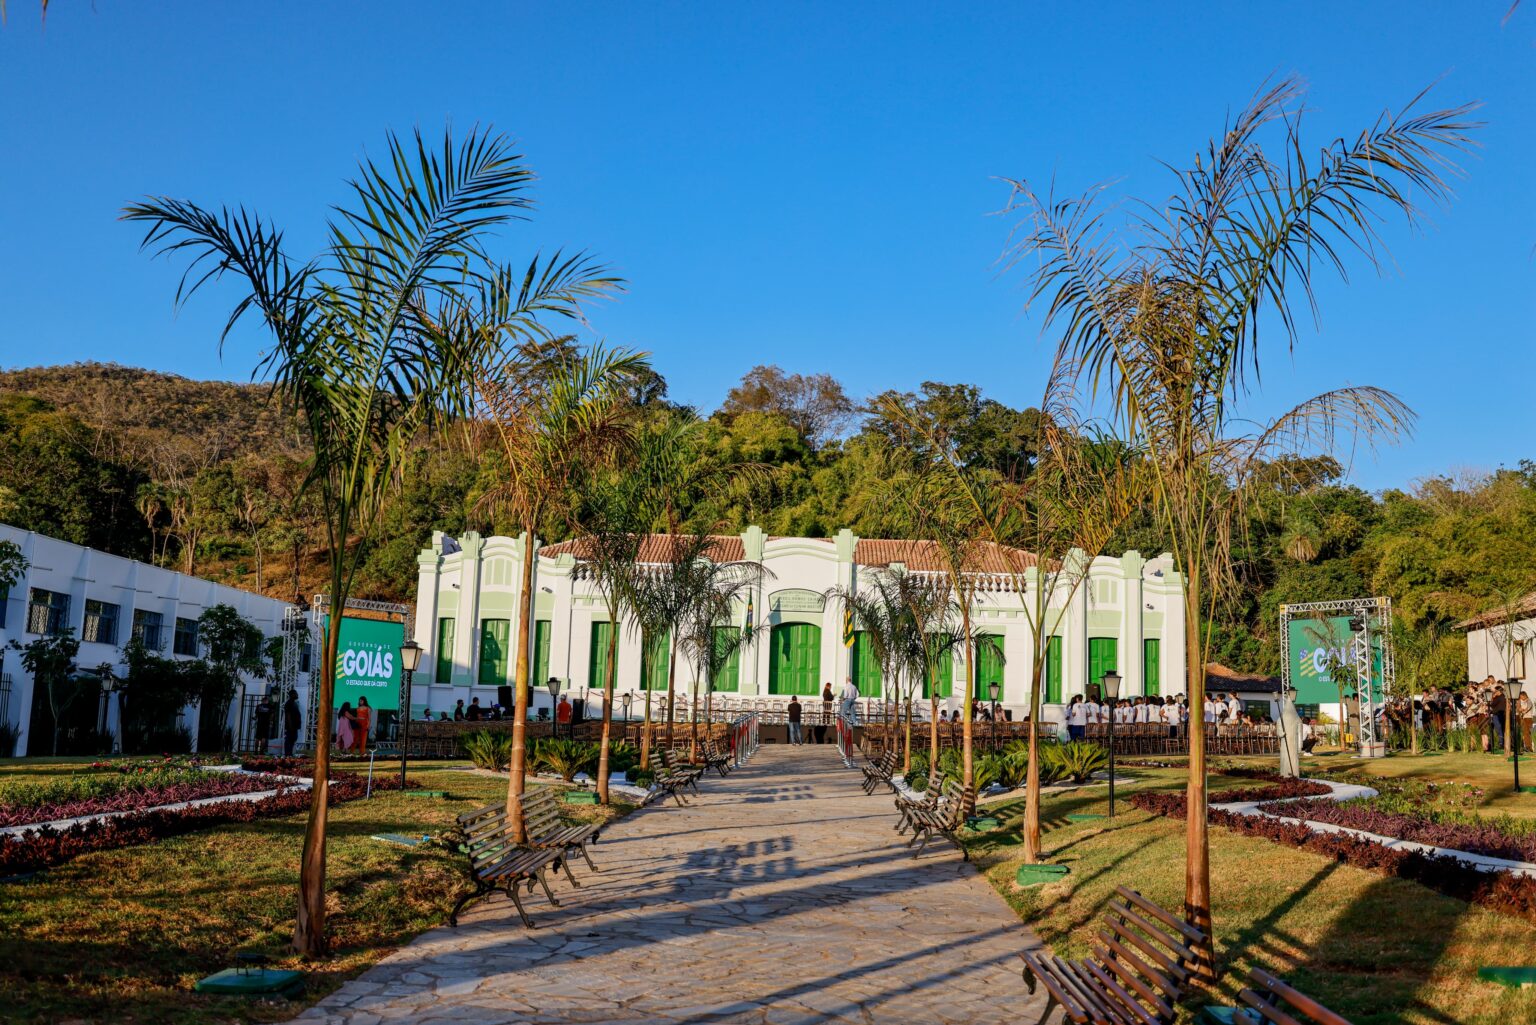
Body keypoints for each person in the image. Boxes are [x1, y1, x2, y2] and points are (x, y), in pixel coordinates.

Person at [282, 691, 302, 757]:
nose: (297, 695)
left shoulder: (294, 703)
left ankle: (290, 753)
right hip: (291, 726)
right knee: (289, 740)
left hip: (295, 726)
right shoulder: (289, 703)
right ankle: (287, 754)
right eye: (296, 694)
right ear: (292, 695)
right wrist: (290, 725)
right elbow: (288, 715)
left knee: (293, 739)